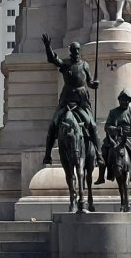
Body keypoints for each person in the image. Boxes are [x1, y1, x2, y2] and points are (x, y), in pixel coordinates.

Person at [40, 34, 102, 167]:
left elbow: (89, 82)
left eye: (78, 50)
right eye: (74, 50)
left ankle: (99, 154)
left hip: (82, 101)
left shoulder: (85, 65)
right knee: (53, 124)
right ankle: (47, 155)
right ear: (71, 51)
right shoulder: (65, 64)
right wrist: (47, 47)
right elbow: (53, 59)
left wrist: (94, 84)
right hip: (67, 101)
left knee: (92, 125)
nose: (76, 53)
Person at [95, 90, 131, 187]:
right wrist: (115, 129)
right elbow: (107, 126)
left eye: (126, 100)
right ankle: (101, 176)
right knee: (103, 152)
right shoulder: (113, 112)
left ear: (129, 101)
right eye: (122, 100)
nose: (124, 102)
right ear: (119, 101)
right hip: (116, 139)